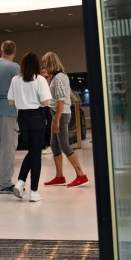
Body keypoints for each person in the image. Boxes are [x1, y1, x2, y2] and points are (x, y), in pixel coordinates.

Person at [7, 52, 52, 202]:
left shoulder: (15, 80)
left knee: (32, 151)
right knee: (36, 154)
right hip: (37, 116)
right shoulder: (40, 80)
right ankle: (33, 192)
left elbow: (11, 102)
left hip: (22, 118)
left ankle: (20, 182)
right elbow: (46, 102)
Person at [42, 52, 89, 187]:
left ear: (51, 63)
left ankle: (81, 175)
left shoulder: (60, 77)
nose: (43, 66)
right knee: (55, 145)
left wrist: (56, 120)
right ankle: (59, 176)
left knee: (64, 145)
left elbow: (61, 100)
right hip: (56, 114)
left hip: (61, 115)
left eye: (45, 63)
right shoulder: (54, 77)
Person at [0, 40, 21, 194]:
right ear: (14, 52)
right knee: (8, 149)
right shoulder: (15, 68)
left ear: (1, 50)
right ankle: (5, 184)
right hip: (8, 110)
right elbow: (19, 91)